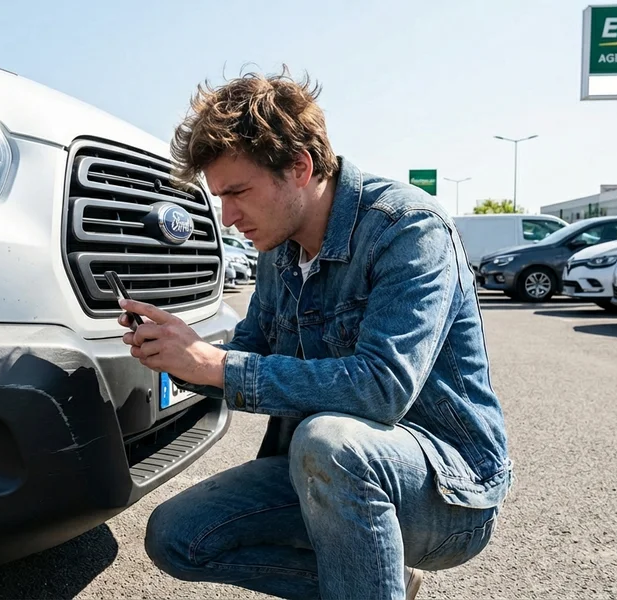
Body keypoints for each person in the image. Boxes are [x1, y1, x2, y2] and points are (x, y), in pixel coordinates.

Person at [117, 68, 513, 600]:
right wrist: (182, 353)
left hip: (447, 491)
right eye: (219, 197)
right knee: (178, 536)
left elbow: (381, 388)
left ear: (299, 167)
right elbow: (247, 357)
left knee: (329, 441)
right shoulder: (277, 253)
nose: (228, 216)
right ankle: (381, 580)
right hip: (327, 475)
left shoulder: (408, 229)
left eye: (237, 192)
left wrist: (215, 365)